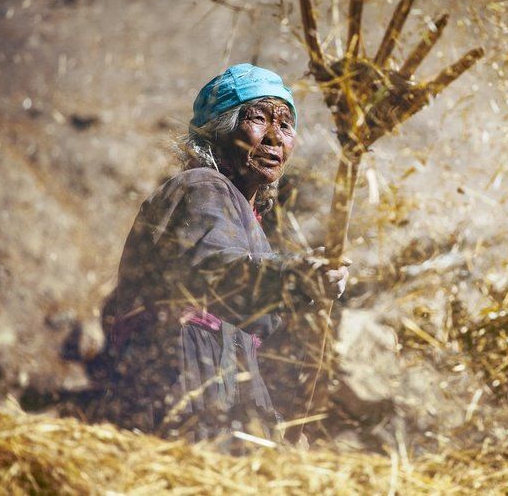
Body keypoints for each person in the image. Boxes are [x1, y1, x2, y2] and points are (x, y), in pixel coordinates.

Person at [99, 63, 348, 450]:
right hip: (184, 389)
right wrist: (300, 276)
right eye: (258, 119)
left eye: (285, 125)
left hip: (224, 402)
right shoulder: (202, 187)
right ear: (219, 131)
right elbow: (218, 274)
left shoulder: (247, 222)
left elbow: (261, 321)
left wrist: (316, 288)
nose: (273, 138)